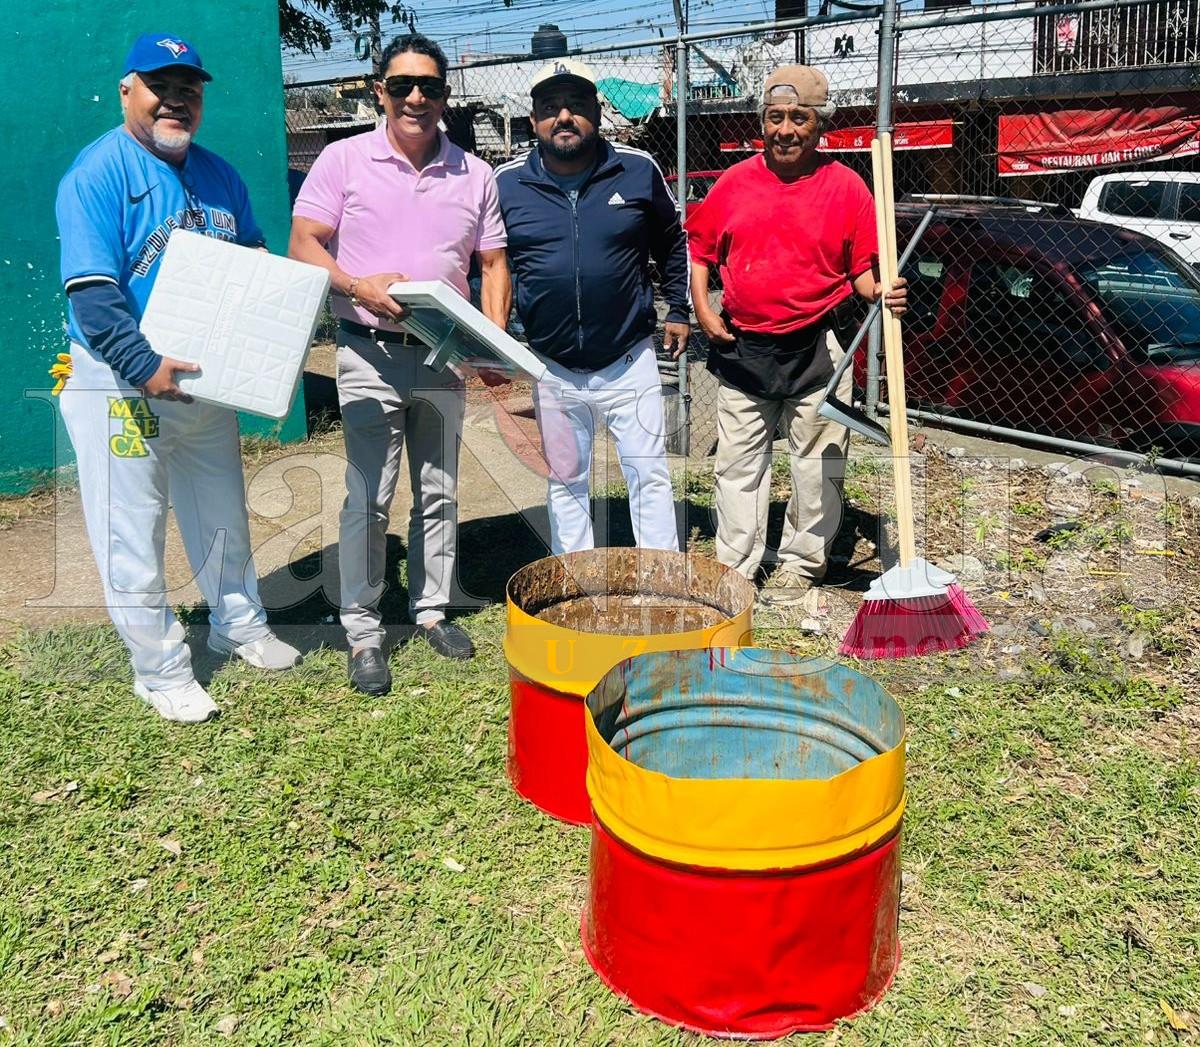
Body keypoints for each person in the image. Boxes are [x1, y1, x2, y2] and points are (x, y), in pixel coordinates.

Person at [54, 32, 302, 724]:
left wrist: (261, 361)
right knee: (131, 527)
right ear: (127, 90)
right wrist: (142, 366)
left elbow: (252, 264)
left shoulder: (220, 174)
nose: (177, 99)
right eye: (162, 85)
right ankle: (159, 667)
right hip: (120, 383)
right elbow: (93, 294)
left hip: (203, 382)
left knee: (221, 509)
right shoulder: (98, 173)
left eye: (189, 87)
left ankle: (239, 624)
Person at [289, 34, 510, 696]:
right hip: (368, 351)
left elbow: (493, 264)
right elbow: (304, 245)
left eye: (431, 87)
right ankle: (362, 627)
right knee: (369, 496)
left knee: (439, 490)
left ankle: (432, 608)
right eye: (404, 84)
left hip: (442, 357)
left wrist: (490, 341)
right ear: (379, 90)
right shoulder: (342, 160)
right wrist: (357, 286)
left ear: (445, 96)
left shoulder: (474, 174)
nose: (418, 97)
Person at [687, 65, 908, 606]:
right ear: (762, 122)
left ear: (819, 126)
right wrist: (701, 307)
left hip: (817, 344)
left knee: (818, 463)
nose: (785, 129)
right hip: (743, 344)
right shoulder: (734, 182)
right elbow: (699, 250)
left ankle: (801, 565)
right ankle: (734, 568)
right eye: (775, 117)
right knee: (738, 466)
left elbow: (860, 274)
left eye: (799, 118)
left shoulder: (847, 187)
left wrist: (882, 289)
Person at [495, 59, 689, 556]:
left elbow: (673, 242)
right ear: (533, 118)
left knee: (649, 472)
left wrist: (679, 309)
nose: (564, 117)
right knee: (565, 478)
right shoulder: (506, 183)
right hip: (551, 364)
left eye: (577, 106)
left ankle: (661, 574)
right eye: (551, 108)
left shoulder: (637, 168)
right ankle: (575, 576)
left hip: (629, 360)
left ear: (597, 113)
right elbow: (489, 263)